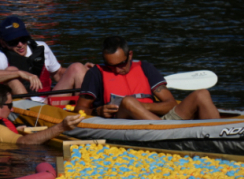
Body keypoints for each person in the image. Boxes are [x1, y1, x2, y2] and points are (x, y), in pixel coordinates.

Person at [74, 36, 220, 120]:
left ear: (130, 55)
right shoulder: (95, 74)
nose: (118, 70)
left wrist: (141, 106)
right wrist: (97, 111)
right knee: (128, 102)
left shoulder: (146, 68)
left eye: (122, 64)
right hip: (125, 125)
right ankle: (169, 132)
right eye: (111, 66)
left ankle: (222, 134)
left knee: (202, 94)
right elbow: (78, 109)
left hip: (162, 122)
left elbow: (170, 104)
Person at [0, 15, 93, 101]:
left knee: (77, 67)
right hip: (26, 107)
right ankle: (30, 110)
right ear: (3, 43)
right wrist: (19, 73)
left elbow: (58, 74)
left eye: (23, 39)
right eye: (13, 41)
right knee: (11, 71)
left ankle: (82, 110)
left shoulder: (41, 47)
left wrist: (86, 73)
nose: (20, 44)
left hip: (49, 102)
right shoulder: (0, 56)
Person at [0, 82, 84, 144]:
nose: (12, 109)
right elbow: (24, 142)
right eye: (10, 105)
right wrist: (61, 127)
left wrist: (14, 130)